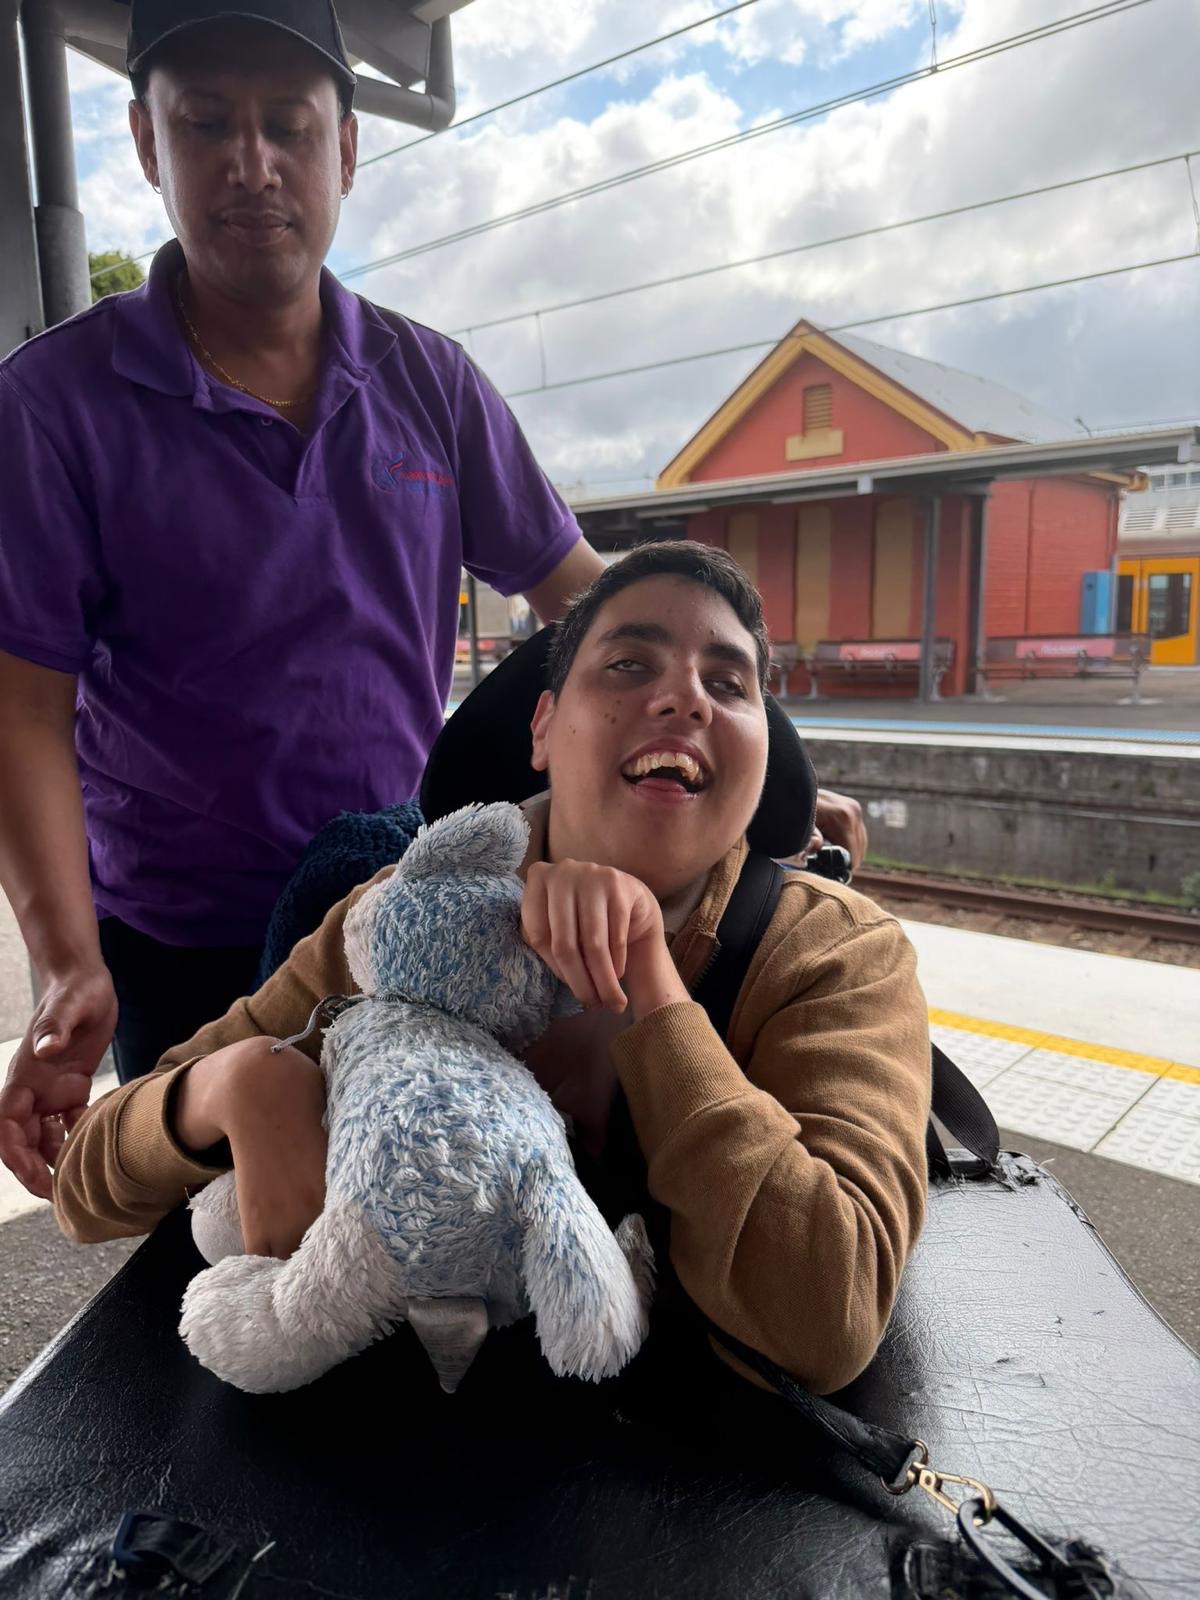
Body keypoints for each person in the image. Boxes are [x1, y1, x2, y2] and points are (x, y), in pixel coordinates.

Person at [0, 0, 863, 1195]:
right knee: (199, 1260)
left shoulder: (430, 384)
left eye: (288, 125)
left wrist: (786, 790)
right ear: (147, 144)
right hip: (178, 937)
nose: (252, 161)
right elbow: (24, 709)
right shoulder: (50, 406)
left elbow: (602, 607)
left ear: (345, 150)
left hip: (399, 909)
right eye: (205, 122)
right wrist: (66, 965)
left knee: (407, 1207)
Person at [51, 543, 926, 1394]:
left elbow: (830, 1320)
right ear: (541, 729)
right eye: (629, 664)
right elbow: (88, 1184)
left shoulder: (835, 955)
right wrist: (238, 1084)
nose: (684, 699)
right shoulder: (403, 917)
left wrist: (656, 993)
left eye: (729, 684)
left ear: (761, 752)